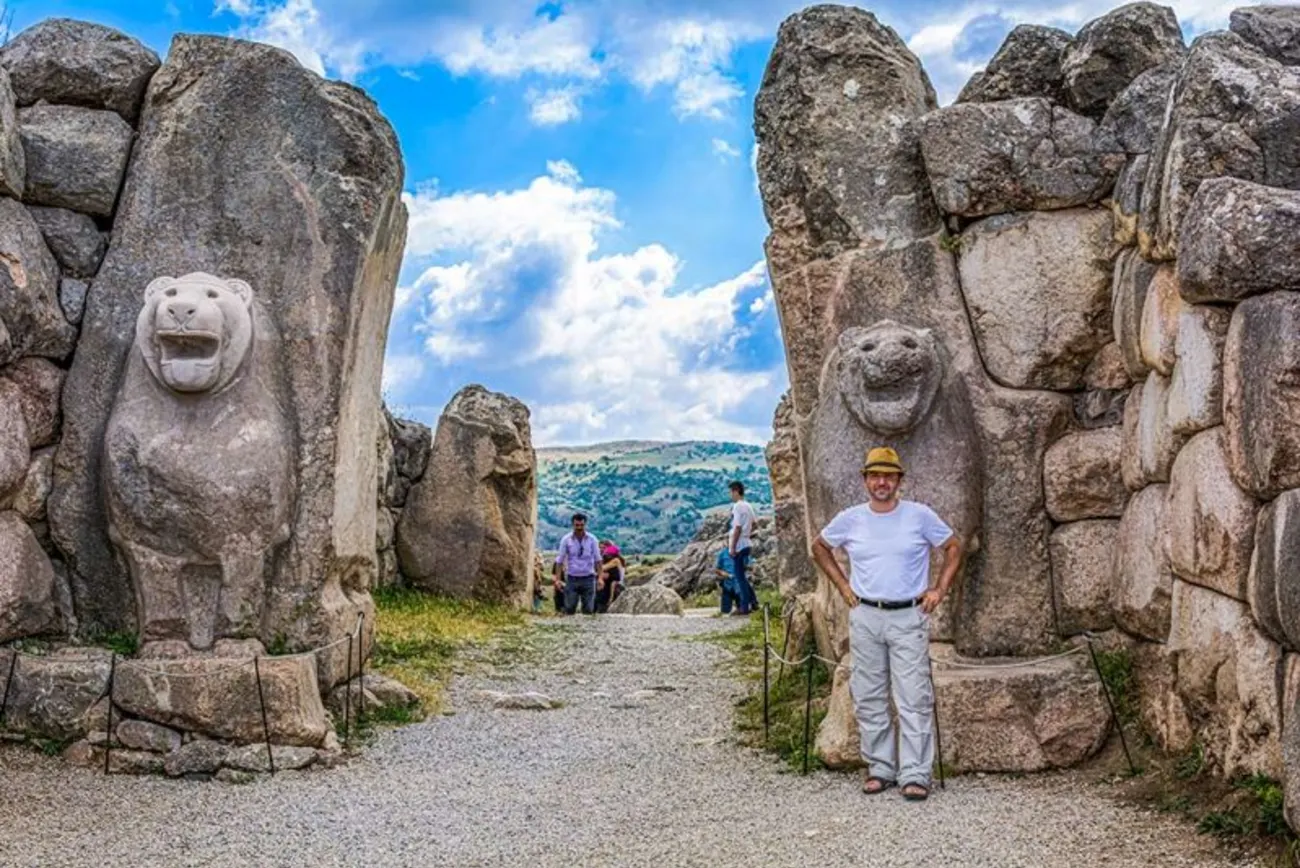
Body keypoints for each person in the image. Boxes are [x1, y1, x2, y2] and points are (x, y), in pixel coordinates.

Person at [811, 446, 963, 803]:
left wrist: (939, 588)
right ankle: (881, 767)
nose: (882, 482)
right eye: (875, 476)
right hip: (865, 614)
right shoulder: (851, 518)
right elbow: (819, 547)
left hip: (909, 614)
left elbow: (953, 547)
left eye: (889, 476)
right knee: (869, 695)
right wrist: (844, 586)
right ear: (865, 480)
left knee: (913, 696)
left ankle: (915, 773)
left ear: (899, 481)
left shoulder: (919, 516)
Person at [554, 513, 601, 615]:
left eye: (581, 525)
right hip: (572, 578)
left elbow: (598, 560)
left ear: (585, 525)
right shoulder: (566, 540)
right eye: (577, 525)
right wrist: (558, 579)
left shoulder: (592, 539)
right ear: (573, 525)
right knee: (569, 608)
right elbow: (560, 560)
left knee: (588, 609)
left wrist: (600, 578)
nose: (579, 528)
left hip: (588, 578)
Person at [727, 480, 758, 616]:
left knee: (740, 578)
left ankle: (744, 607)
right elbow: (755, 524)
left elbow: (737, 527)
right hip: (747, 544)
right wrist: (748, 534)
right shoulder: (748, 506)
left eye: (731, 492)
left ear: (735, 491)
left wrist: (733, 547)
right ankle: (754, 602)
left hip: (739, 546)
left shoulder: (737, 507)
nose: (730, 495)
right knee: (743, 577)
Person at [595, 540, 625, 613]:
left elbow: (602, 569)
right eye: (599, 547)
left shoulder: (615, 560)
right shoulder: (603, 559)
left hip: (614, 588)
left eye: (604, 548)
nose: (601, 550)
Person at [714, 546, 740, 614]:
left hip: (740, 586)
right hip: (727, 585)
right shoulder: (723, 554)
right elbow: (717, 569)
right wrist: (724, 574)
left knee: (743, 611)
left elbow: (750, 566)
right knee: (725, 612)